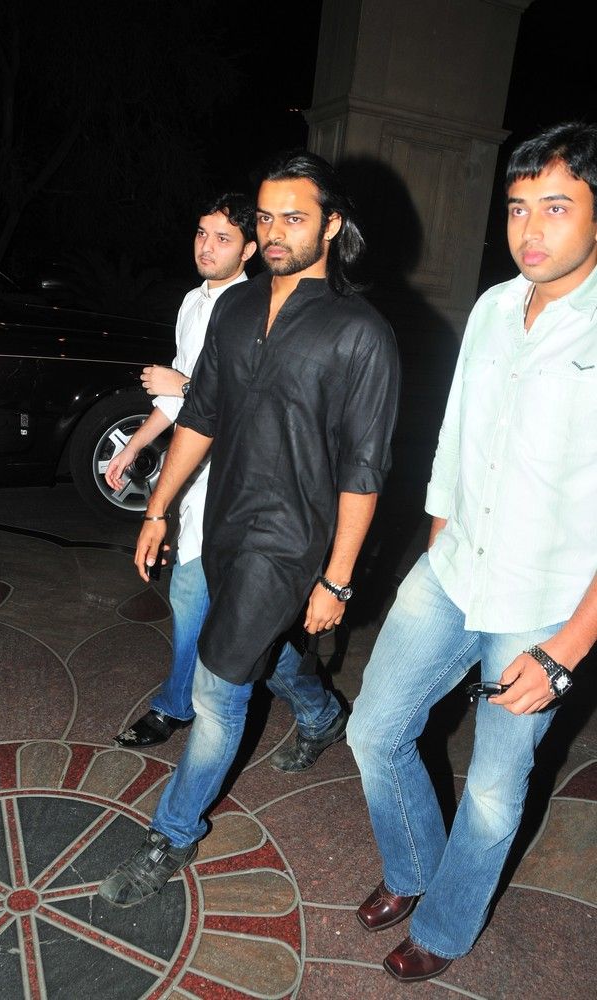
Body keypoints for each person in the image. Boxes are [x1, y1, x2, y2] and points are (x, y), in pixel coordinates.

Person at [98, 149, 400, 907]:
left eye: (294, 218)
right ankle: (321, 714)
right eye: (265, 218)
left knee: (217, 689)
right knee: (259, 648)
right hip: (222, 522)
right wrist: (159, 508)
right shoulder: (235, 309)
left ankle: (172, 833)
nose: (274, 232)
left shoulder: (361, 333)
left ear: (332, 225)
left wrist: (337, 578)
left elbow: (364, 469)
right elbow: (201, 417)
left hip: (292, 541)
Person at [347, 120, 597, 982]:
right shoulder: (493, 307)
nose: (530, 228)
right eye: (518, 207)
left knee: (492, 789)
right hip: (453, 568)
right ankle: (413, 864)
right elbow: (455, 435)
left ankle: (446, 927)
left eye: (556, 206)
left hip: (542, 603)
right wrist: (437, 542)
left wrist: (568, 649)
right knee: (374, 730)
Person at [106, 193, 344, 760]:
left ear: (250, 250)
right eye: (201, 234)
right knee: (237, 625)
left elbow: (247, 405)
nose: (207, 248)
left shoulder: (256, 307)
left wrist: (183, 386)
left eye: (223, 239)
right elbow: (182, 403)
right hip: (190, 480)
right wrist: (134, 446)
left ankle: (175, 705)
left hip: (238, 489)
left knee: (199, 602)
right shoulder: (194, 302)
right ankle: (318, 710)